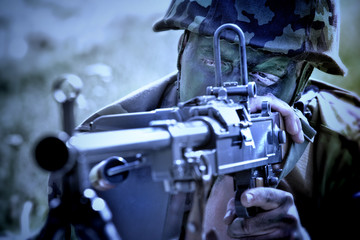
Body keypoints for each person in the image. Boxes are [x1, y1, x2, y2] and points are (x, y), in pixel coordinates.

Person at [45, 0, 360, 239]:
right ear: (182, 49)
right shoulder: (104, 145)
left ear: (303, 80)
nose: (230, 90)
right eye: (214, 60)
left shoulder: (348, 140)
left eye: (265, 76)